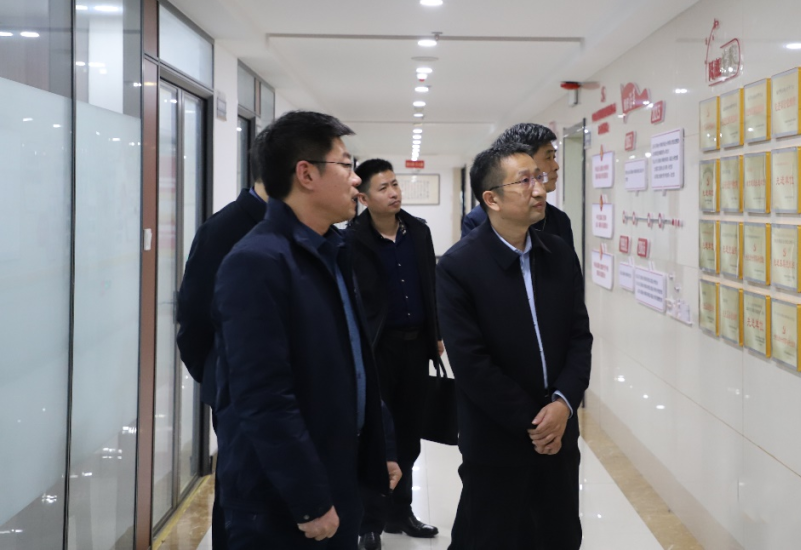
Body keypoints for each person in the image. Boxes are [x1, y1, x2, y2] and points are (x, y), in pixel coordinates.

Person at [213, 111, 400, 549]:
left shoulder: (332, 250)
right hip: (282, 500)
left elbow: (355, 362)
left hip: (337, 474)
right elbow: (263, 397)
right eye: (346, 165)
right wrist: (308, 500)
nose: (356, 180)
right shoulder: (257, 261)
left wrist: (382, 445)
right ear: (306, 174)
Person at [437, 142, 593, 550]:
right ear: (491, 199)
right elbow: (471, 364)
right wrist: (536, 422)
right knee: (493, 536)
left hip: (559, 436)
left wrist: (563, 405)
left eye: (538, 177)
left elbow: (579, 337)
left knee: (558, 536)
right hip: (497, 439)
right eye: (525, 181)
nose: (539, 189)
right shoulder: (458, 267)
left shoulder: (559, 254)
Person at [176, 130, 269, 550]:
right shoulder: (225, 229)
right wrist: (221, 381)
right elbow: (193, 319)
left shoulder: (302, 229)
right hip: (239, 394)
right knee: (240, 497)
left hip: (274, 392)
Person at [345, 159, 442, 550]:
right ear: (364, 197)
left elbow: (430, 285)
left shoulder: (418, 231)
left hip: (416, 347)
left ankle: (401, 512)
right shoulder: (351, 240)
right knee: (376, 435)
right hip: (377, 349)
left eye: (396, 184)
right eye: (383, 187)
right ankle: (369, 521)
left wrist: (436, 333)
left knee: (409, 434)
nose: (394, 193)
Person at [460, 123, 574, 253]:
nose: (556, 166)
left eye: (554, 157)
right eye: (548, 158)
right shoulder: (478, 219)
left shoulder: (558, 219)